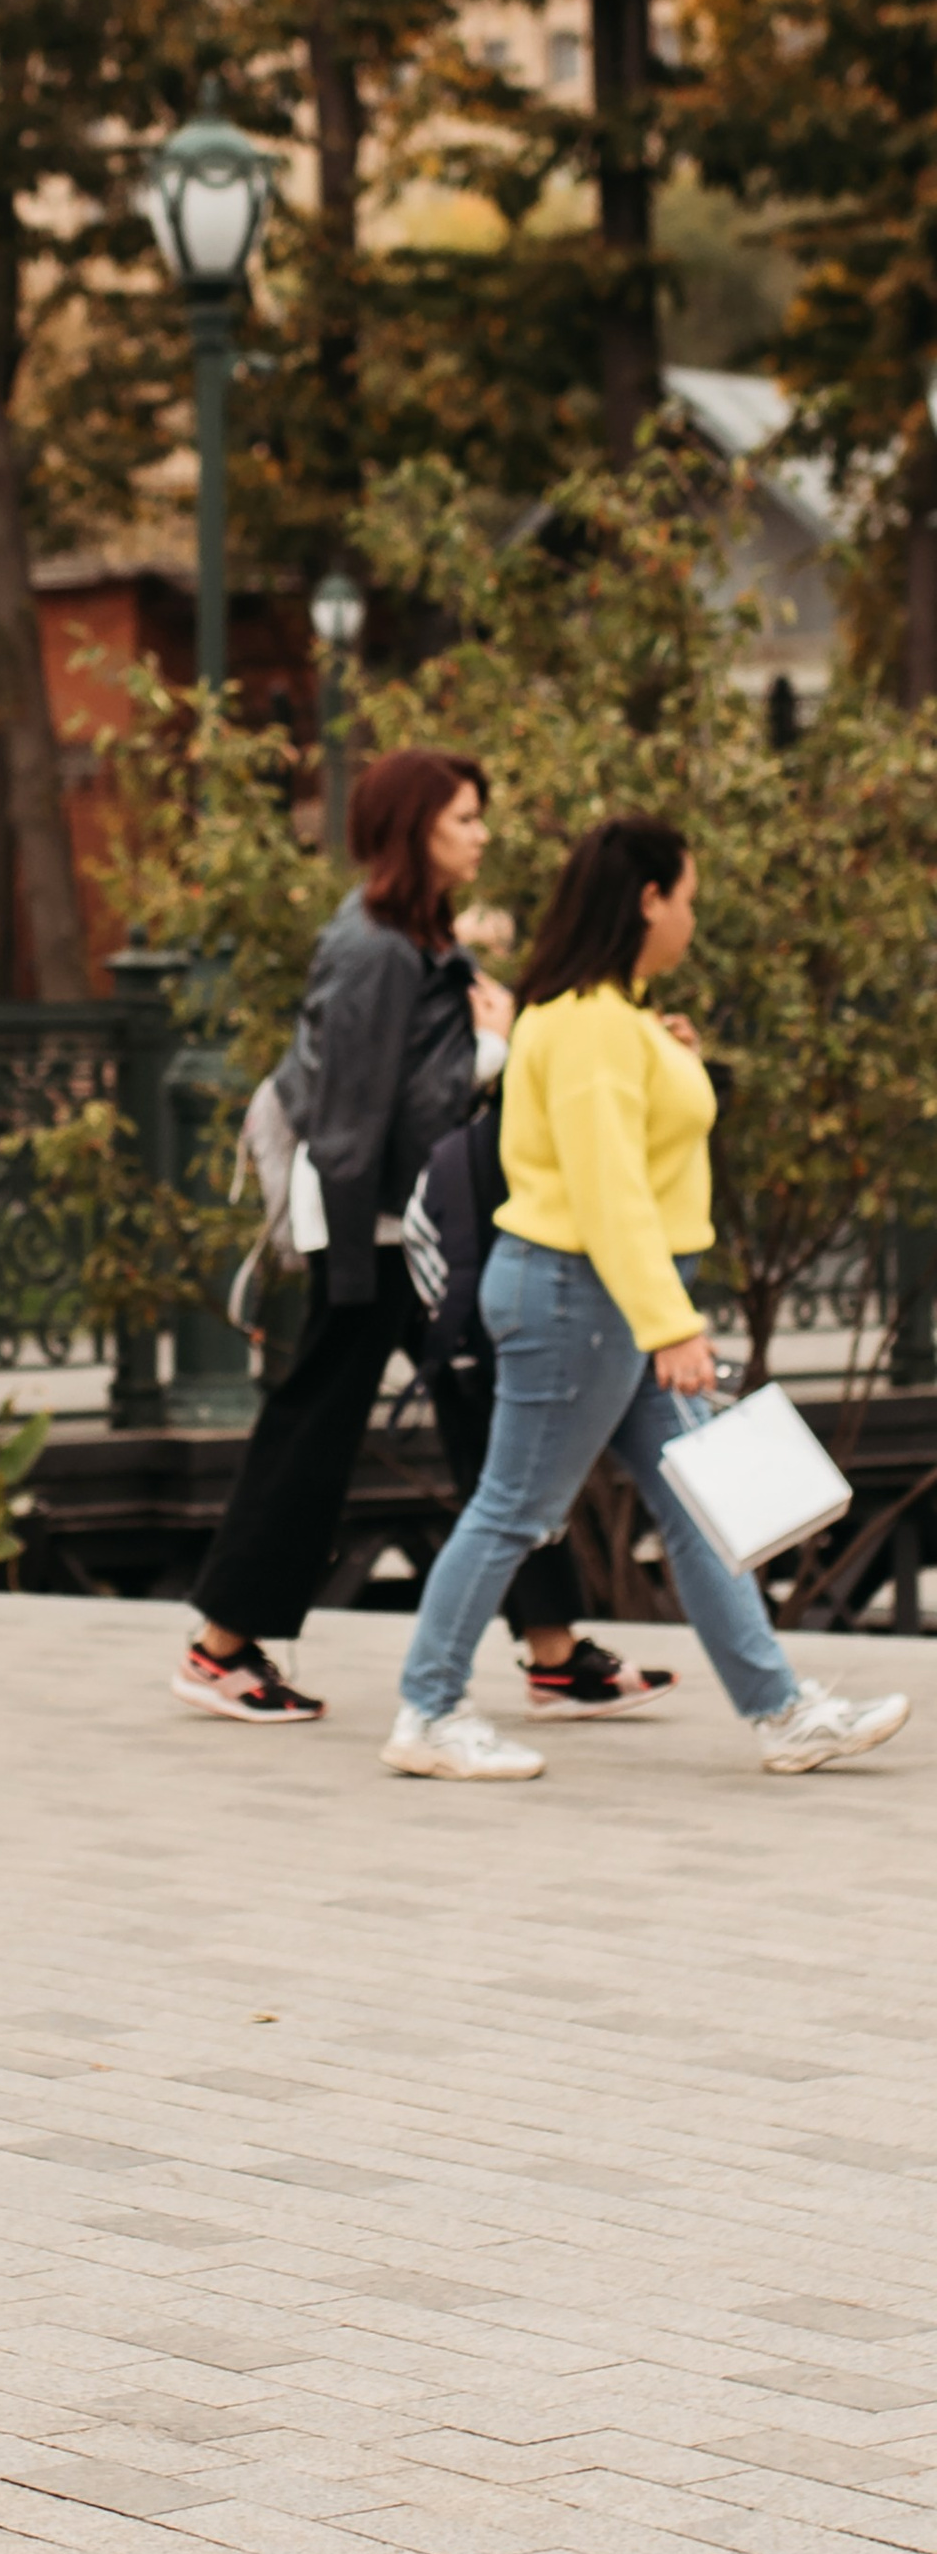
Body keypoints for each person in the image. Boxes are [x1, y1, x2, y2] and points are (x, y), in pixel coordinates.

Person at [383, 812, 910, 1780]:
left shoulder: (607, 1020)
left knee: (695, 1507)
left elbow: (632, 1145)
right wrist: (669, 1323)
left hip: (597, 1297)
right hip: (579, 1299)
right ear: (647, 900)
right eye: (689, 900)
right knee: (511, 1507)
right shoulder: (588, 1026)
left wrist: (666, 1049)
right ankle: (426, 1711)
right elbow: (606, 1187)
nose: (693, 920)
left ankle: (781, 1711)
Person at [175, 749, 664, 1723]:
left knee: (491, 1418)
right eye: (464, 819)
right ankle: (220, 1648)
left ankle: (553, 1649)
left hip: (413, 1225)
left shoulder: (415, 937)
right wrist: (492, 1045)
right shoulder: (370, 947)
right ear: (415, 830)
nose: (481, 834)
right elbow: (354, 1116)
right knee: (320, 1426)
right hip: (373, 1229)